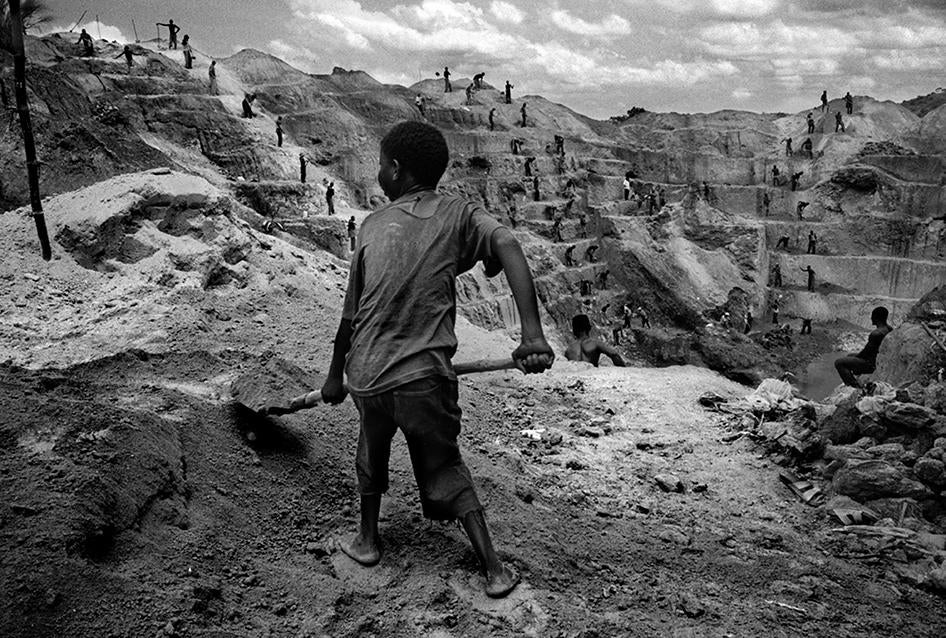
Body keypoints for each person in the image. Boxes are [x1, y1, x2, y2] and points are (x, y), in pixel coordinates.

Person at [320, 120, 553, 599]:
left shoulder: (370, 226)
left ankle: (367, 540)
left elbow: (350, 317)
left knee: (370, 450)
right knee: (443, 463)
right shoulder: (458, 214)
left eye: (382, 164)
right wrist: (532, 337)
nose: (379, 171)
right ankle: (494, 570)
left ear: (397, 170)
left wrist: (333, 377)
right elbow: (506, 243)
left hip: (366, 376)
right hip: (424, 378)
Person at [834, 307, 892, 388]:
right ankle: (859, 379)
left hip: (871, 364)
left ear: (876, 317)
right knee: (850, 356)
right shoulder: (889, 329)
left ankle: (854, 387)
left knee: (839, 363)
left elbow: (866, 353)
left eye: (872, 316)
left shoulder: (876, 334)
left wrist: (856, 357)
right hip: (879, 360)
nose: (871, 318)